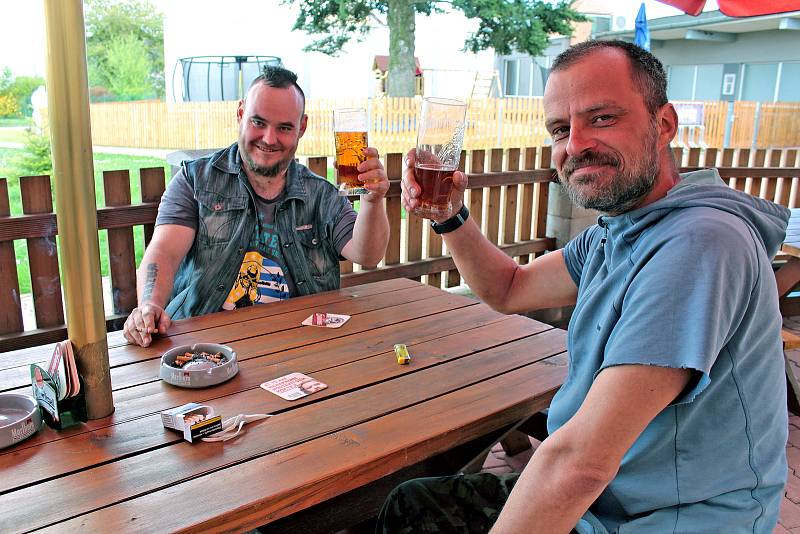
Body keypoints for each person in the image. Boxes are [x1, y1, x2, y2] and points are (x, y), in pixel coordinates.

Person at [383, 40, 789, 533]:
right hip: (606, 501)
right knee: (414, 505)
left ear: (664, 125)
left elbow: (579, 466)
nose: (574, 145)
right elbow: (509, 287)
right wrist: (449, 216)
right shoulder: (618, 232)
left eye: (601, 118)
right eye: (560, 128)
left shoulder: (699, 242)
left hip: (670, 519)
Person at [123, 66, 390, 347]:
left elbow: (367, 254)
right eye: (258, 123)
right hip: (206, 349)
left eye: (284, 127)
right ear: (240, 114)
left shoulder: (320, 194)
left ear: (302, 127)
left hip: (303, 347)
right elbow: (164, 251)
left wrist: (372, 201)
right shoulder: (195, 180)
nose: (269, 138)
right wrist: (149, 306)